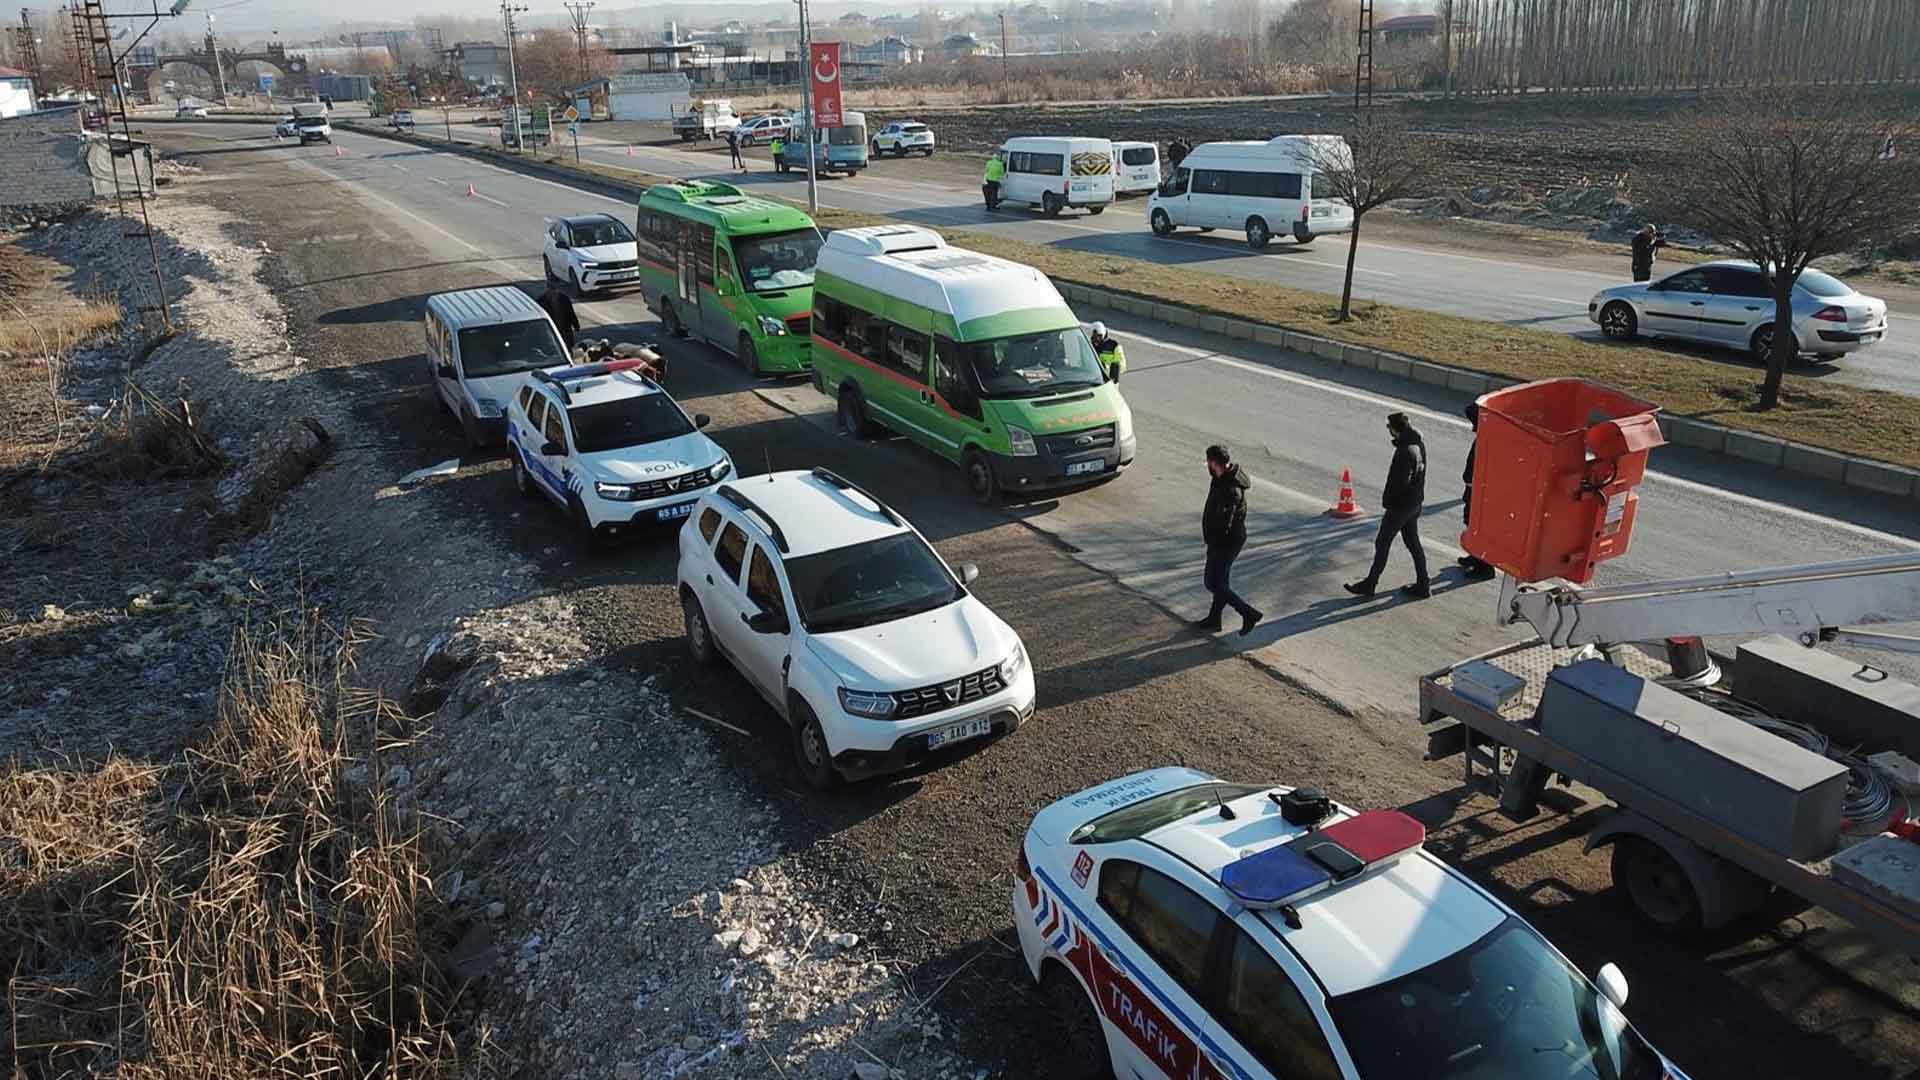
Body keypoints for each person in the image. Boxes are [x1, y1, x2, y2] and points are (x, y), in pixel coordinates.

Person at [1344, 412, 1432, 600]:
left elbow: (1400, 482)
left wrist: (1390, 502)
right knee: (1413, 543)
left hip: (1400, 507)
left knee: (1382, 543)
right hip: (1414, 503)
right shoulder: (1418, 444)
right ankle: (1424, 584)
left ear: (1395, 429)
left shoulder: (1405, 451)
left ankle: (1370, 584)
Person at [1195, 444, 1263, 636]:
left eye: (1208, 462)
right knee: (1220, 582)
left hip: (1227, 541)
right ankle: (1214, 619)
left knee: (1213, 583)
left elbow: (1226, 522)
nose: (1207, 465)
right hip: (1221, 539)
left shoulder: (1231, 489)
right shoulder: (1220, 478)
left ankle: (1248, 613)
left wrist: (1215, 543)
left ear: (1214, 463)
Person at [1457, 404, 1496, 580]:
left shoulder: (1489, 439)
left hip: (1480, 492)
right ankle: (1475, 555)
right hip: (1474, 488)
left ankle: (1484, 567)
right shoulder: (1485, 435)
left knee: (1479, 527)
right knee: (1472, 523)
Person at [541, 285, 579, 351]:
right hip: (552, 330)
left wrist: (576, 325)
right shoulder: (541, 302)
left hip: (565, 328)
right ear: (547, 291)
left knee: (569, 347)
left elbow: (570, 312)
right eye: (551, 291)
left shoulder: (564, 299)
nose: (554, 294)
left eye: (555, 292)